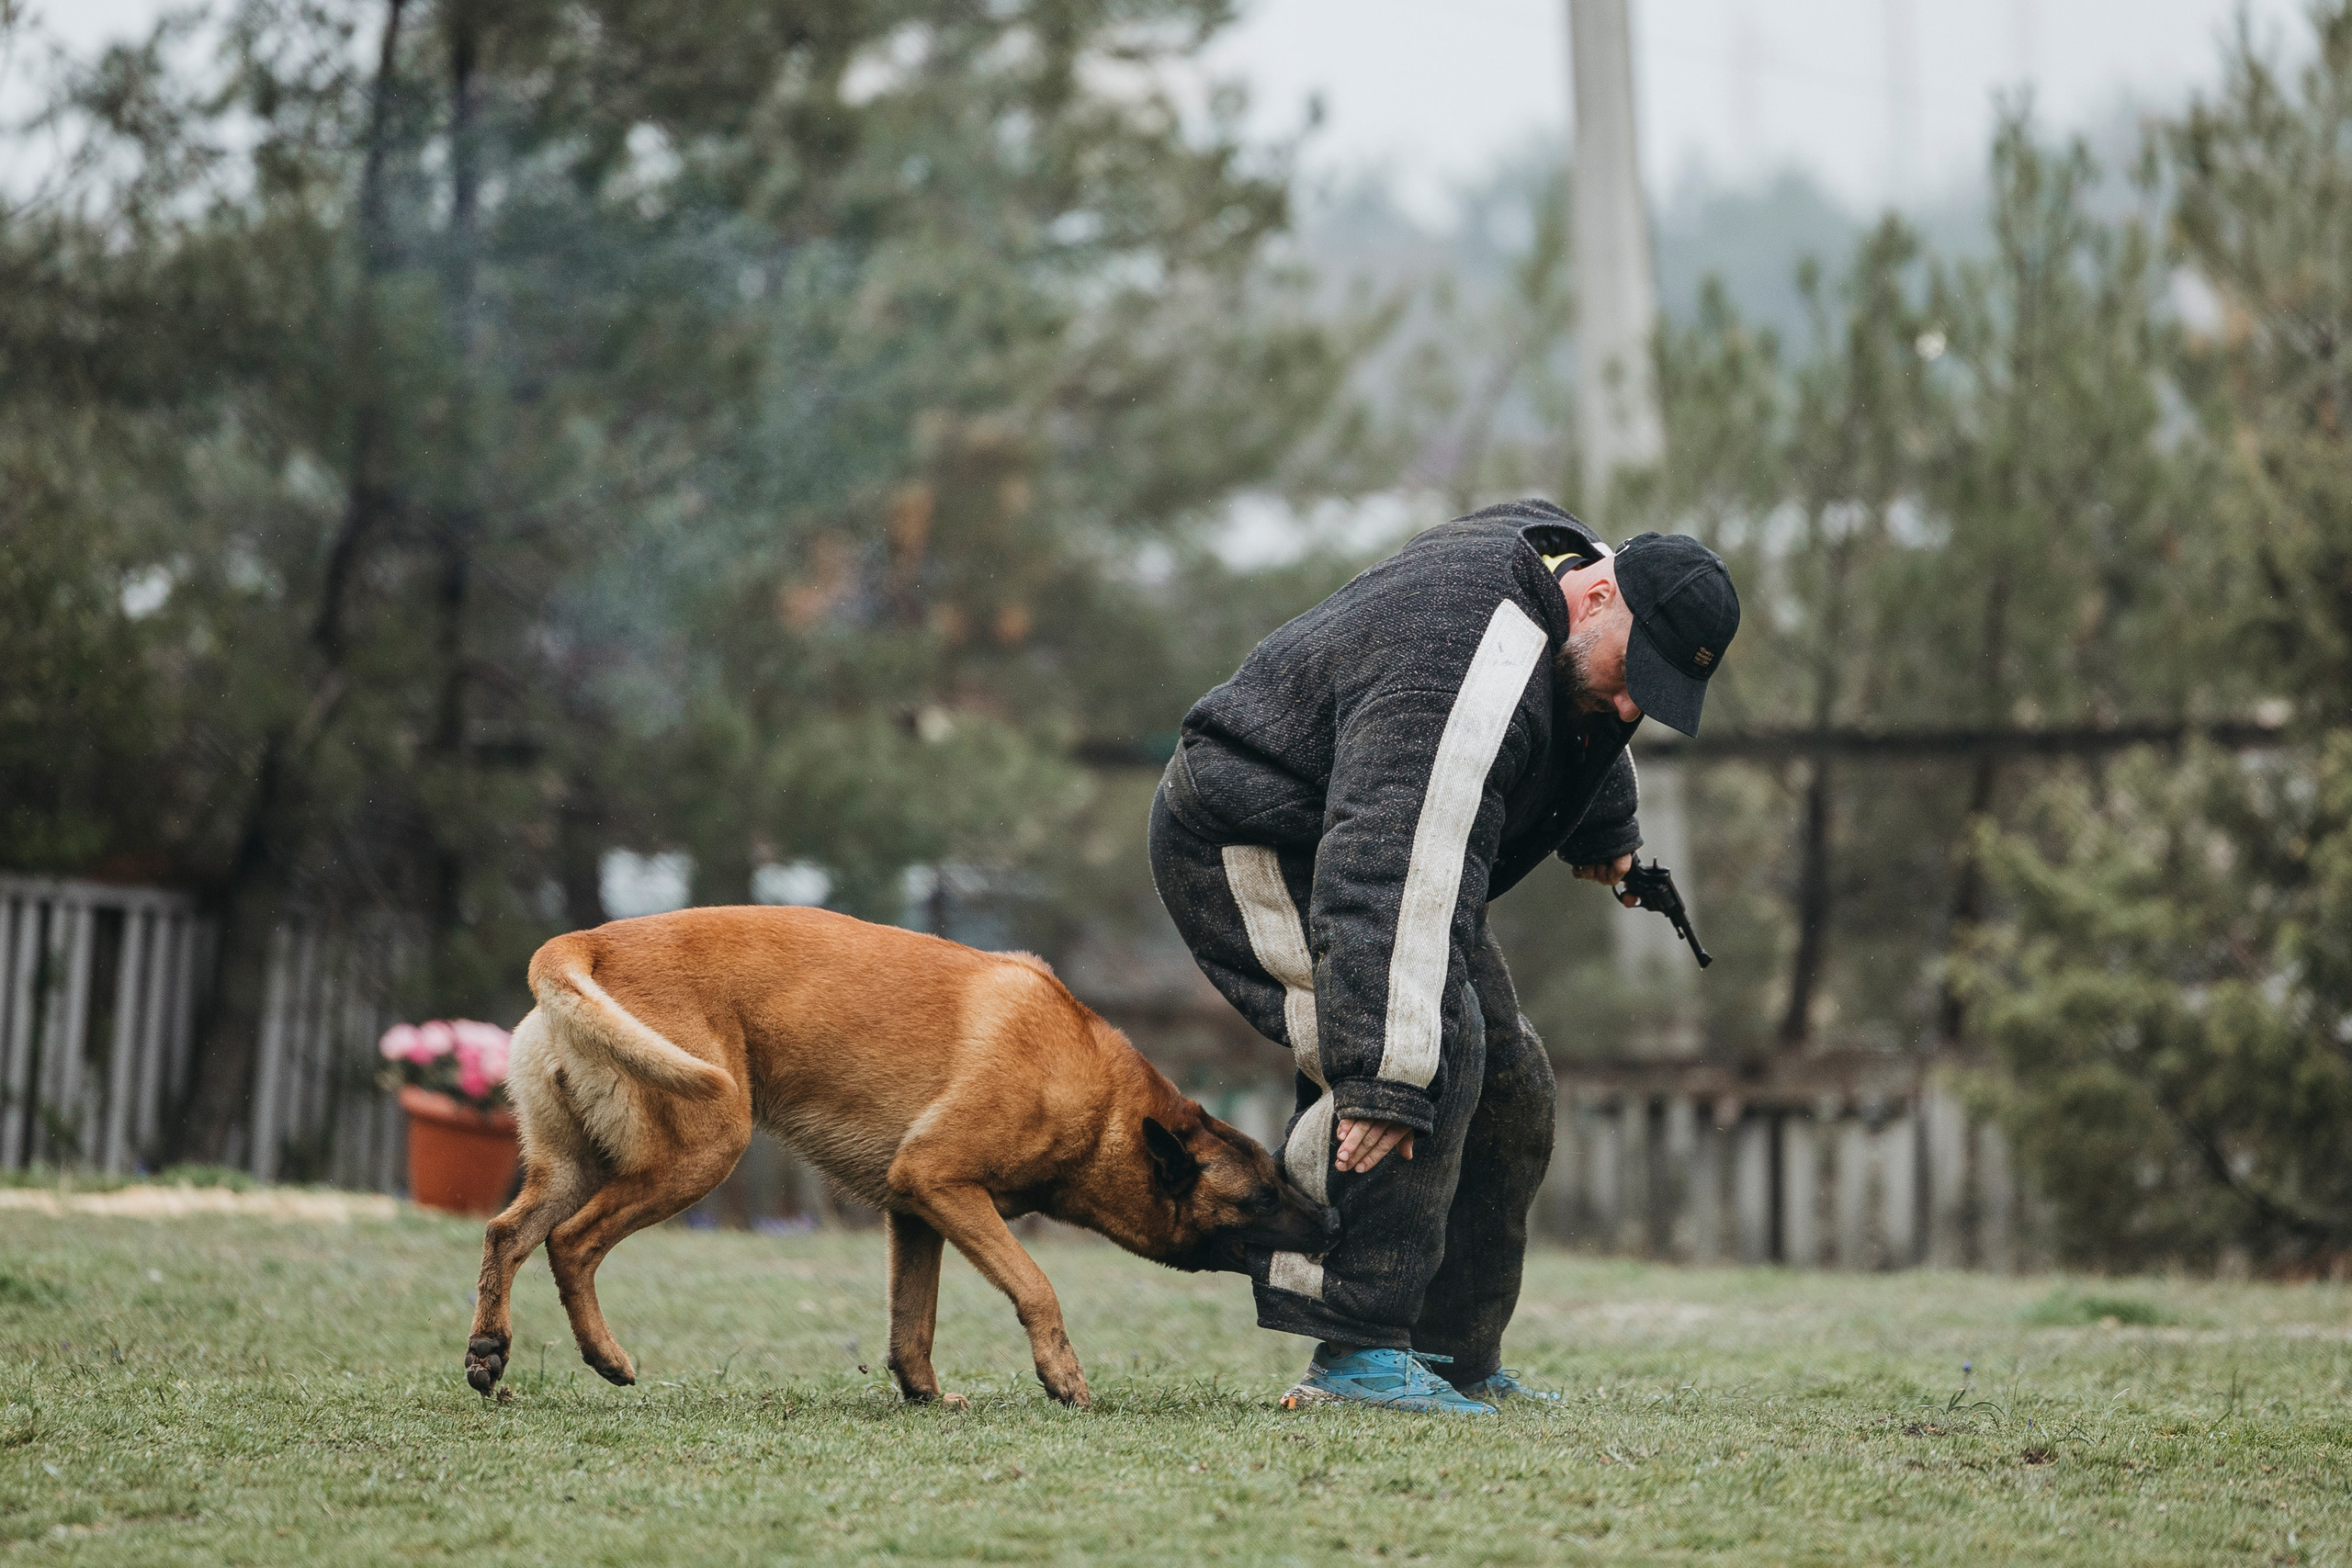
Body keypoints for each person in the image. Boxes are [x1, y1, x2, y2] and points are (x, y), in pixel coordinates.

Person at [1148, 498, 1740, 1414]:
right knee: (1422, 1051)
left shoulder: (1562, 571)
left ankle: (1453, 1352)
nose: (1632, 707)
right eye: (1637, 676)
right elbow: (1388, 866)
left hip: (1365, 838)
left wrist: (1607, 825)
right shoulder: (1465, 657)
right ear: (1598, 598)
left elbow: (1571, 707)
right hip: (1252, 835)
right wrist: (1386, 1078)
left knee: (1510, 1080)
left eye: (1655, 697)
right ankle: (1354, 1352)